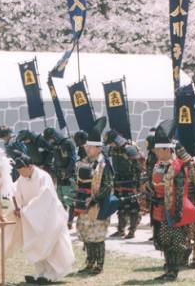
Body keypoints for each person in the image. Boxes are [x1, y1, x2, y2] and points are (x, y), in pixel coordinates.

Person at [4, 155, 75, 285]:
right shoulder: (22, 178)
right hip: (31, 219)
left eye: (22, 170)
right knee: (34, 243)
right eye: (18, 171)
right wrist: (17, 207)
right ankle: (40, 273)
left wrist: (24, 210)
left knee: (50, 244)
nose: (20, 173)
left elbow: (45, 196)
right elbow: (16, 192)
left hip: (49, 217)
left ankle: (52, 274)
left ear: (30, 166)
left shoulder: (43, 177)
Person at [150, 119, 195, 281]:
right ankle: (168, 268)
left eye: (157, 149)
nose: (155, 152)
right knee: (164, 241)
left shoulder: (177, 167)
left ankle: (174, 271)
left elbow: (179, 191)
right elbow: (155, 185)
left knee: (175, 241)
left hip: (174, 209)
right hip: (159, 208)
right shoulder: (158, 165)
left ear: (166, 149)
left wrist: (177, 212)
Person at [74, 117, 115, 275]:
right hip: (83, 203)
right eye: (86, 146)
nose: (87, 149)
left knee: (97, 235)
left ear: (98, 148)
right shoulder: (82, 162)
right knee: (86, 233)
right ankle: (89, 262)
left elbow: (108, 185)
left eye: (90, 147)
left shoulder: (104, 164)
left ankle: (99, 264)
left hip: (97, 204)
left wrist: (95, 199)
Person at [105, 130, 143, 239]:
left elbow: (137, 168)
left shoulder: (129, 149)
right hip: (118, 179)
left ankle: (132, 231)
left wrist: (136, 185)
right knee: (120, 205)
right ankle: (120, 230)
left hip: (130, 180)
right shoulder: (113, 148)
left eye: (111, 142)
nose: (110, 144)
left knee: (133, 207)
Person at [43, 127, 77, 228]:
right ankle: (62, 220)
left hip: (68, 174)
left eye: (50, 138)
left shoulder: (68, 143)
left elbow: (72, 159)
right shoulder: (54, 145)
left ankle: (70, 221)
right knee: (61, 198)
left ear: (54, 136)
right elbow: (53, 158)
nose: (50, 141)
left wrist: (66, 172)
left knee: (70, 199)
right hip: (58, 173)